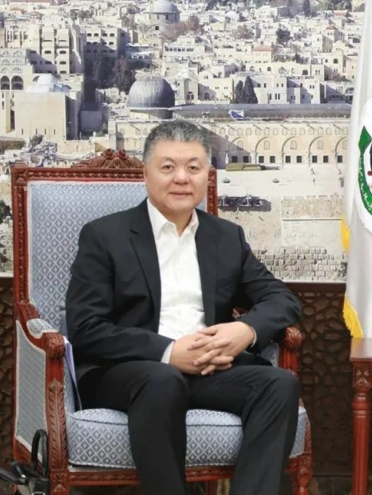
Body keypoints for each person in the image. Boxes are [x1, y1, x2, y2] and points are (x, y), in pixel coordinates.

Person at [65, 120, 302, 495]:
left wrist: (245, 331)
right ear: (146, 174)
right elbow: (86, 328)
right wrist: (168, 352)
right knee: (163, 380)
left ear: (207, 174)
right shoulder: (105, 236)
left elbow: (281, 299)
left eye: (193, 167)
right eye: (168, 167)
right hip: (128, 374)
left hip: (209, 369)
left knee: (279, 384)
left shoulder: (226, 237)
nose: (181, 178)